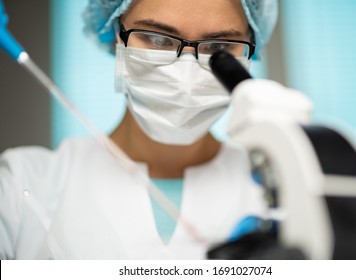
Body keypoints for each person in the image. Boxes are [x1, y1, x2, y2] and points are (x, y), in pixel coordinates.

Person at [0, 0, 278, 259]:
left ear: (249, 51)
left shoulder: (287, 190)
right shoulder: (19, 186)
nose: (186, 77)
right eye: (158, 39)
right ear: (116, 36)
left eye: (217, 47)